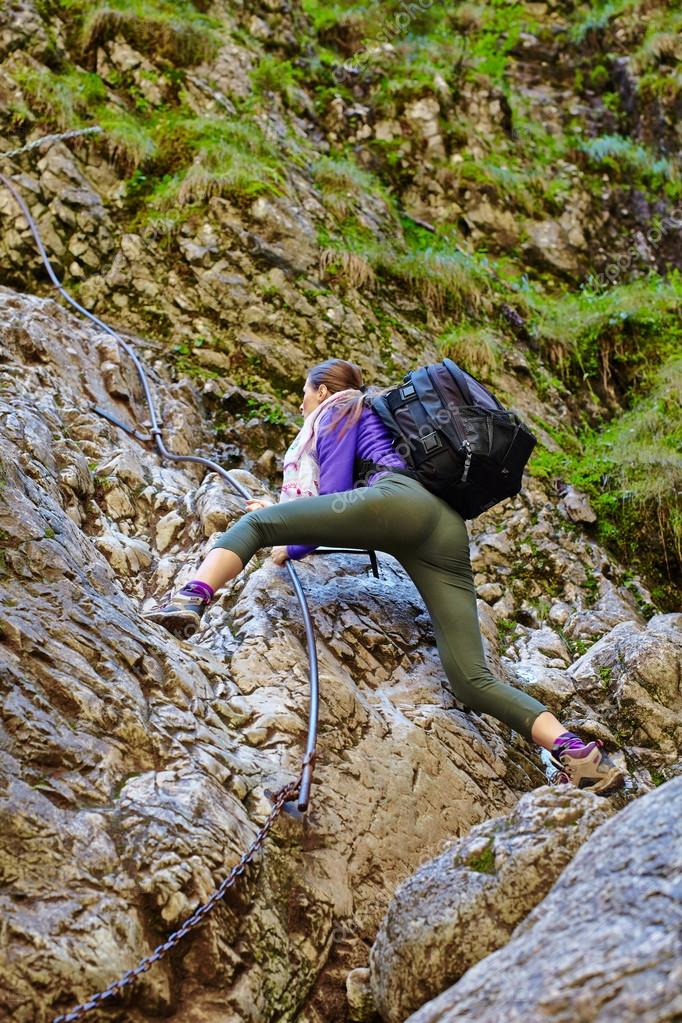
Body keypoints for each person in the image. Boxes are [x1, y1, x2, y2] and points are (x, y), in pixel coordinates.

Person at [143, 358, 624, 794]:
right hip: (443, 527)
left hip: (397, 503)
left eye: (305, 396)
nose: (302, 406)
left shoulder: (338, 410)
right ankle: (579, 756)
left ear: (322, 390)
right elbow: (348, 513)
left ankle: (189, 598)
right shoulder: (376, 419)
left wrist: (284, 530)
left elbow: (327, 496)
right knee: (471, 679)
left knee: (256, 525)